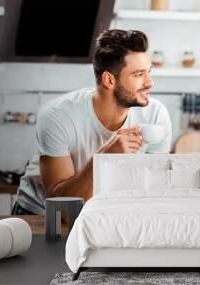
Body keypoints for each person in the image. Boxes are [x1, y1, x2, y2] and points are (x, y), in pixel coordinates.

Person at [13, 29, 172, 215]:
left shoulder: (156, 115)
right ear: (109, 80)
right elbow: (62, 210)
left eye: (149, 72)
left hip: (101, 214)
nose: (150, 82)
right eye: (139, 74)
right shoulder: (57, 115)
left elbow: (154, 188)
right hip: (40, 217)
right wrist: (104, 159)